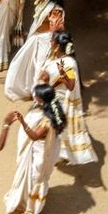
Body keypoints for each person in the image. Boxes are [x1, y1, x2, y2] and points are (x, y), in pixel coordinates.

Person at [4, 84, 67, 214]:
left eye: (36, 95)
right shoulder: (55, 109)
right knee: (40, 176)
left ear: (42, 100)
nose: (33, 96)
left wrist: (22, 122)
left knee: (35, 178)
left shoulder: (46, 121)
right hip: (51, 148)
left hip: (41, 153)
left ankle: (32, 206)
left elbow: (34, 136)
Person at [39, 31, 98, 165]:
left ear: (57, 46)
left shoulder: (63, 64)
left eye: (52, 41)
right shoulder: (70, 61)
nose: (50, 43)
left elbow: (45, 79)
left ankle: (58, 154)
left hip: (57, 101)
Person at [5, 0, 66, 101]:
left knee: (40, 68)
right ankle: (35, 92)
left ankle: (40, 96)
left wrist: (55, 46)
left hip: (47, 41)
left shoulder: (55, 8)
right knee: (19, 62)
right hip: (36, 39)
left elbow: (59, 28)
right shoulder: (45, 1)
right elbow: (36, 0)